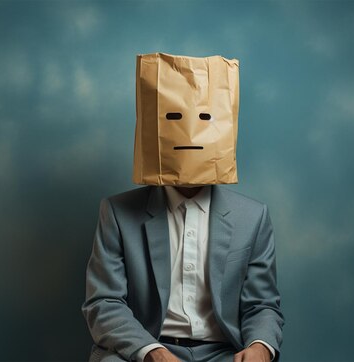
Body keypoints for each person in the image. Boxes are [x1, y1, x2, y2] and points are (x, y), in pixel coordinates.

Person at [82, 53, 283, 362]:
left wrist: (259, 347)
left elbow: (262, 304)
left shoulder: (253, 218)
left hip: (223, 351)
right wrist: (153, 352)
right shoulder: (118, 213)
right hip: (145, 348)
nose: (190, 133)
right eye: (173, 118)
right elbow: (104, 303)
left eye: (205, 118)